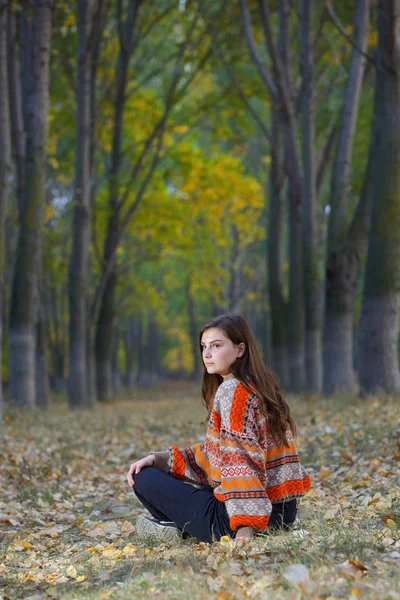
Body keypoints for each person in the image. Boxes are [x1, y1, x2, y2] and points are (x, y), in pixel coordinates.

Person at [127, 313, 311, 545]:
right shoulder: (260, 387)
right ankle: (177, 526)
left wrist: (245, 531)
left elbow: (242, 460)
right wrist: (161, 460)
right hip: (282, 515)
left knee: (142, 478)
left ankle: (177, 528)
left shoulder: (233, 391)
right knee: (156, 471)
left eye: (216, 345)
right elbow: (220, 456)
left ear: (240, 350)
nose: (207, 354)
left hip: (238, 521)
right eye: (204, 346)